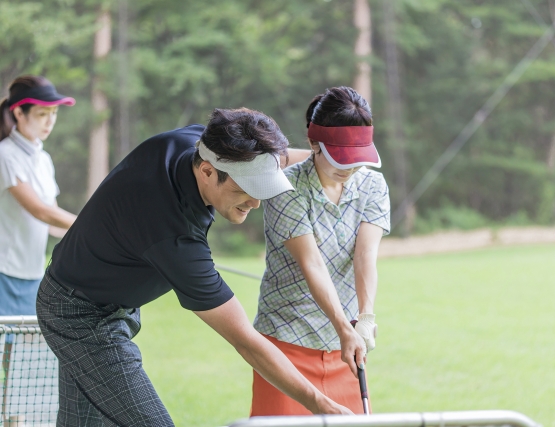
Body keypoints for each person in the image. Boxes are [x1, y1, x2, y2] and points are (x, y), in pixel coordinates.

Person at [36, 108, 350, 425]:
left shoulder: (201, 142)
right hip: (77, 314)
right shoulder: (174, 236)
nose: (255, 202)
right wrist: (319, 403)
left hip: (103, 297)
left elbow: (272, 157)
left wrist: (333, 162)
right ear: (206, 172)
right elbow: (247, 342)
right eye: (245, 188)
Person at [251, 86, 391, 415]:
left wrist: (365, 318)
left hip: (345, 349)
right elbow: (311, 264)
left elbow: (365, 255)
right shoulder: (285, 188)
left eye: (358, 160)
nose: (350, 168)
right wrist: (345, 329)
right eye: (341, 159)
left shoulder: (372, 186)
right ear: (314, 143)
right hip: (285, 345)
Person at [0, 75, 77, 317]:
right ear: (19, 114)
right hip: (3, 274)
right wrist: (89, 224)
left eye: (53, 113)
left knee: (22, 355)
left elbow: (52, 222)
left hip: (33, 277)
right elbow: (40, 210)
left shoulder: (43, 160)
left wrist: (95, 240)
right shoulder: (5, 155)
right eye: (42, 114)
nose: (50, 121)